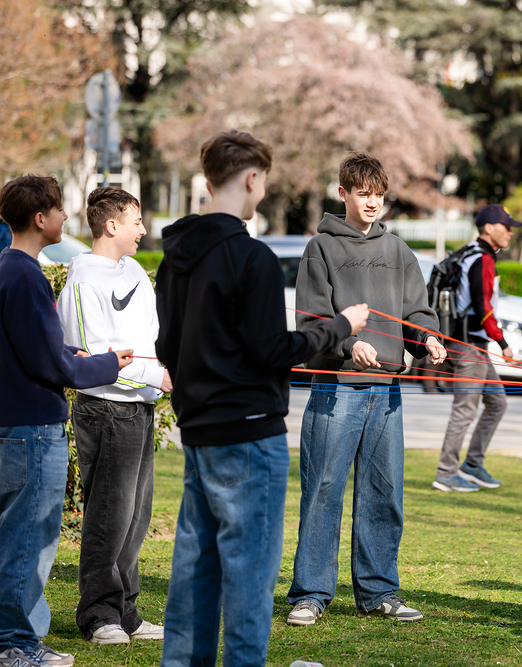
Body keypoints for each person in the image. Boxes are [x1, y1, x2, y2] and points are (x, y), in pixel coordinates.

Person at [155, 131, 368, 667]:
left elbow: (166, 348)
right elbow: (273, 349)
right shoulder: (252, 257)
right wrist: (340, 326)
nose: (264, 190)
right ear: (252, 179)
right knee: (248, 582)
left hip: (199, 432)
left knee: (196, 574)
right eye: (264, 181)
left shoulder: (174, 258)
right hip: (249, 435)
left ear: (208, 182)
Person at [286, 150, 447, 626]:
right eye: (363, 194)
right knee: (323, 489)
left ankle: (378, 591)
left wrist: (427, 339)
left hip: (387, 392)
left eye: (379, 195)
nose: (372, 202)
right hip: (337, 390)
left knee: (383, 491)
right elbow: (312, 320)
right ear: (343, 194)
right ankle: (311, 593)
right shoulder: (321, 249)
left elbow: (416, 312)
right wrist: (348, 343)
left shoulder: (398, 250)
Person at [0, 175, 132, 667]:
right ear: (41, 219)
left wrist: (65, 351)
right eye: (59, 210)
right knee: (28, 543)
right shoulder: (26, 274)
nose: (65, 217)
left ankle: (20, 638)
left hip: (13, 427)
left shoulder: (7, 268)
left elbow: (32, 348)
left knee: (14, 539)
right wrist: (105, 364)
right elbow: (49, 365)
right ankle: (16, 643)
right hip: (33, 430)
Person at [54, 188, 170, 645]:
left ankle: (125, 611)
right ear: (112, 225)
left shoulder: (135, 271)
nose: (143, 230)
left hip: (140, 408)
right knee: (109, 514)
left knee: (136, 515)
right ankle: (98, 615)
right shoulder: (84, 280)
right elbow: (90, 357)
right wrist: (156, 376)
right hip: (104, 410)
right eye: (136, 221)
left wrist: (169, 370)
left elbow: (154, 339)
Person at [433, 204, 522, 492]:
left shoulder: (471, 252)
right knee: (465, 410)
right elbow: (484, 308)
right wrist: (503, 343)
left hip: (474, 345)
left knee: (496, 402)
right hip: (468, 345)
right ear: (489, 228)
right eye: (506, 227)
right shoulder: (482, 259)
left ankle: (472, 464)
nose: (510, 233)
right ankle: (446, 472)